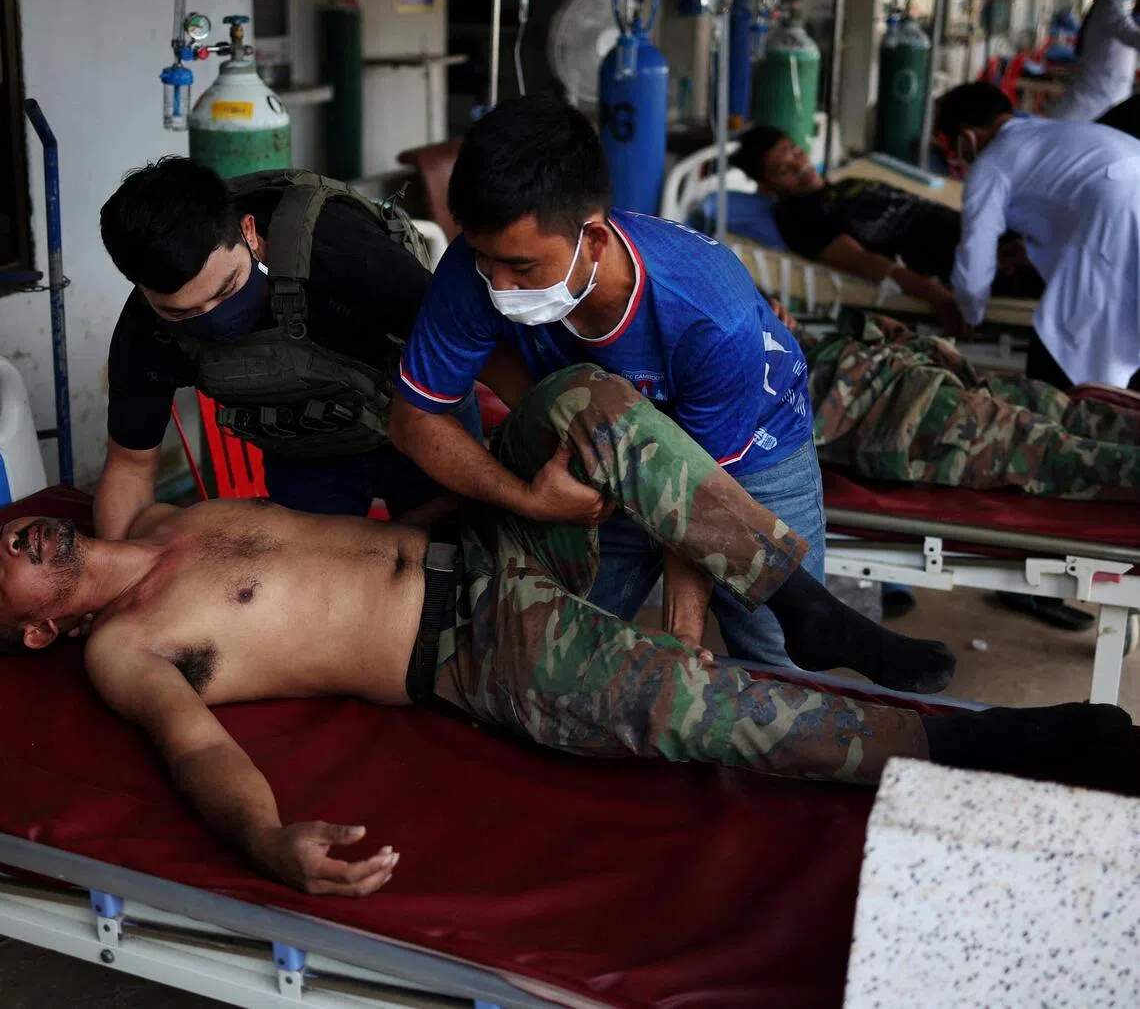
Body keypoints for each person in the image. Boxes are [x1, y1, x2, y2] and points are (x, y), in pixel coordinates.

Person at [3, 363, 1132, 896]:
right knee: (709, 709)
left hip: (488, 540)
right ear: (38, 634)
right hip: (465, 647)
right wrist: (270, 845)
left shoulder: (164, 510)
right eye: (5, 565)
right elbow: (198, 751)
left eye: (10, 531)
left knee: (585, 394)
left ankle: (799, 599)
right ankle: (996, 745)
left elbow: (138, 436)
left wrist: (512, 492)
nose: (22, 541)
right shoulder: (122, 647)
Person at [390, 94, 823, 670]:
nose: (499, 285)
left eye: (522, 268)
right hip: (596, 460)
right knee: (554, 663)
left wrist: (683, 635)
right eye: (484, 259)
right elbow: (414, 416)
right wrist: (526, 498)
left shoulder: (709, 313)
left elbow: (698, 489)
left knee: (782, 660)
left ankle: (811, 622)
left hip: (751, 452)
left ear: (592, 240)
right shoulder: (476, 270)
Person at [95, 158, 479, 539]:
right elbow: (129, 469)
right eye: (183, 312)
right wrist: (109, 577)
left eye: (226, 290)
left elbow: (466, 341)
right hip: (306, 446)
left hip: (418, 415)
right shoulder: (147, 327)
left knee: (457, 548)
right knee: (315, 573)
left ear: (249, 232)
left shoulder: (337, 247)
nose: (211, 317)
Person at [791, 307, 1140, 497]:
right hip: (881, 415)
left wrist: (782, 323)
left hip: (894, 370)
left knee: (1056, 406)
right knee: (1040, 445)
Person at [727, 126, 1040, 333]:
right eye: (784, 170)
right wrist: (938, 297)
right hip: (976, 266)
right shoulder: (799, 216)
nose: (800, 166)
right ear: (768, 189)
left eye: (795, 151)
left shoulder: (846, 182)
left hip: (994, 236)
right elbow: (862, 261)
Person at [938, 81, 1140, 391]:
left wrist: (970, 312)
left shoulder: (992, 161)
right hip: (1128, 193)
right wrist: (1031, 250)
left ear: (968, 135)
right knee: (1126, 335)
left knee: (1067, 346)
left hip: (1118, 214)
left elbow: (975, 251)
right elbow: (1065, 201)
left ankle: (1062, 421)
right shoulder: (1049, 131)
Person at [1052, 0, 1140, 122]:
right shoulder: (1108, 10)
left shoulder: (1113, 9)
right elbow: (1133, 37)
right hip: (1097, 94)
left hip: (1107, 92)